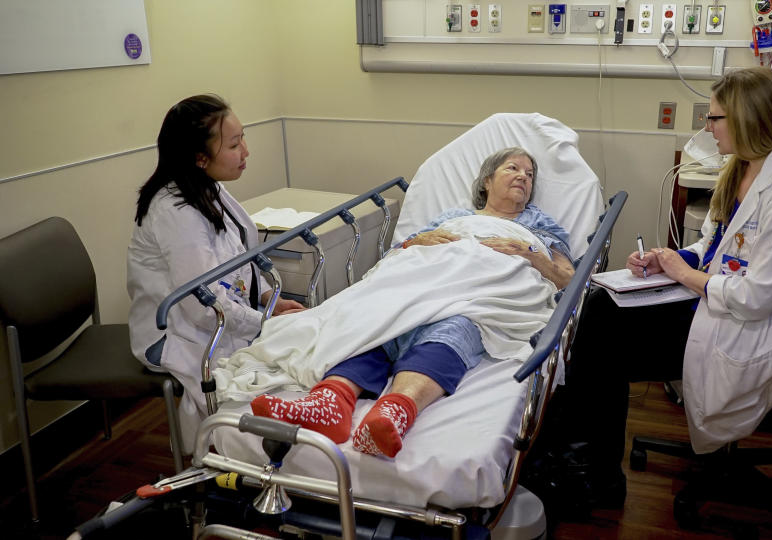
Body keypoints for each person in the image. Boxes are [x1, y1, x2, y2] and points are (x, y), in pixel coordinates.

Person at [559, 66, 772, 506]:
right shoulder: (742, 170)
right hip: (711, 306)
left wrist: (685, 276)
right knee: (600, 308)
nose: (707, 126)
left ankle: (592, 471)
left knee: (603, 344)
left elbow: (758, 297)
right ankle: (586, 461)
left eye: (715, 118)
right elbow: (713, 245)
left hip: (745, 330)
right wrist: (669, 261)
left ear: (749, 120)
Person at [249, 147, 575, 458]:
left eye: (530, 174)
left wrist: (530, 254)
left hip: (479, 292)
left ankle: (395, 410)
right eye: (513, 168)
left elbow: (567, 278)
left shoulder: (538, 226)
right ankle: (330, 401)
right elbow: (395, 258)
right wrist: (416, 241)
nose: (523, 177)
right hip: (421, 279)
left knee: (454, 325)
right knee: (381, 316)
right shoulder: (453, 217)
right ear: (486, 180)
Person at [127, 94, 304, 427]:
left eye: (242, 139)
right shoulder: (175, 213)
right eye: (234, 145)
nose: (246, 151)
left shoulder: (206, 188)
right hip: (173, 335)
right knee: (256, 391)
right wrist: (264, 321)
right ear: (200, 157)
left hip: (215, 316)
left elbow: (238, 254)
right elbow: (203, 307)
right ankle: (229, 460)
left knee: (285, 358)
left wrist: (270, 300)